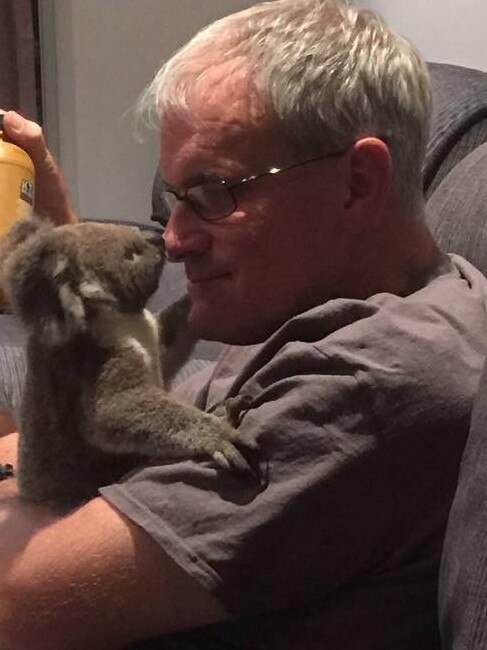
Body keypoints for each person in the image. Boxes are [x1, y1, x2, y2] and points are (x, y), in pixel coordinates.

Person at [1, 0, 487, 648]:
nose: (170, 240)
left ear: (357, 182)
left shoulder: (376, 382)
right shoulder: (312, 300)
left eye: (214, 192)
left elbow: (15, 602)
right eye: (174, 197)